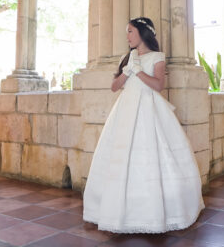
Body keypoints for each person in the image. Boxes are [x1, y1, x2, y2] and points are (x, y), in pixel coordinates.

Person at [82, 17, 205, 233]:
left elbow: (158, 85)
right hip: (125, 110)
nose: (127, 36)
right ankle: (115, 209)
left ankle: (153, 211)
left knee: (151, 155)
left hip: (149, 108)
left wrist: (138, 71)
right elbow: (114, 86)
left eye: (130, 31)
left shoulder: (157, 57)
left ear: (142, 32)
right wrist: (127, 70)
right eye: (126, 32)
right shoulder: (126, 57)